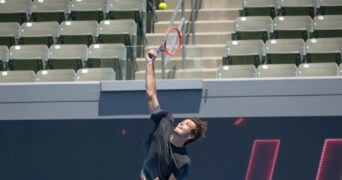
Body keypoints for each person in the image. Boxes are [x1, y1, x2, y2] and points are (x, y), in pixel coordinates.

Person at [140, 50, 208, 180]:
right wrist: (149, 63)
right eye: (184, 121)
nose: (183, 123)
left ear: (190, 136)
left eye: (188, 124)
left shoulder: (182, 162)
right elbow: (151, 95)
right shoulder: (165, 122)